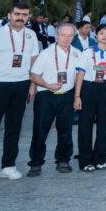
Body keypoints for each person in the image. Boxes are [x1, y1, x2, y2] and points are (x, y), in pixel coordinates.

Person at [0, 2, 40, 187]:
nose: (20, 18)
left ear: (28, 17)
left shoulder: (31, 35)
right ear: (9, 15)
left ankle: (8, 166)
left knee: (14, 128)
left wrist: (33, 85)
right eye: (17, 14)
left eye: (24, 15)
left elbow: (34, 62)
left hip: (21, 85)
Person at [26, 23, 81, 176]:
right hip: (46, 96)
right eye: (63, 35)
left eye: (70, 35)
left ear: (74, 37)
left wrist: (77, 96)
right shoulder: (46, 53)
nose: (66, 38)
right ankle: (36, 163)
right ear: (57, 35)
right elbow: (34, 75)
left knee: (65, 130)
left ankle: (63, 160)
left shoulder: (77, 53)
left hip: (67, 96)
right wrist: (47, 85)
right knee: (40, 131)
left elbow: (79, 76)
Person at [74, 24, 106, 172]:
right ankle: (85, 160)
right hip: (88, 88)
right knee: (85, 125)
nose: (105, 36)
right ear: (96, 35)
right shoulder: (88, 52)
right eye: (101, 33)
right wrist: (77, 96)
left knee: (104, 126)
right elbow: (80, 74)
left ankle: (100, 158)